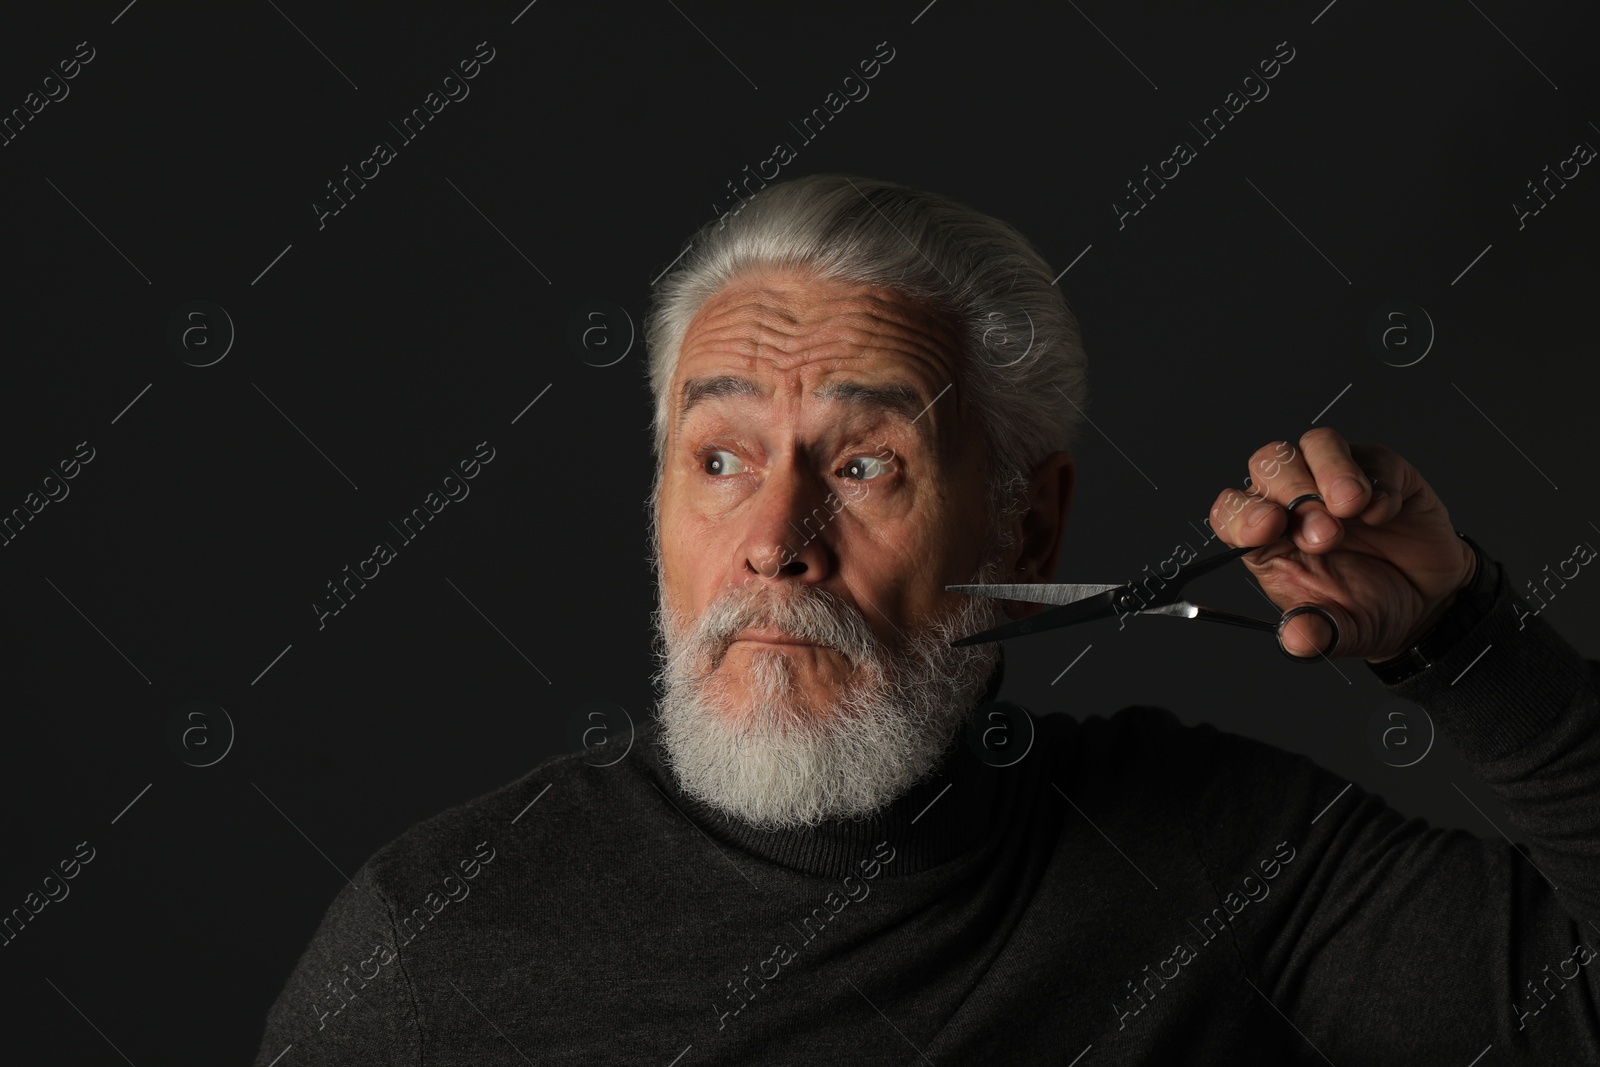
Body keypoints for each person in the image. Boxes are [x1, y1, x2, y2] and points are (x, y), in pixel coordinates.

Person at [252, 174, 1599, 1065]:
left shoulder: (1226, 860)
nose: (775, 545)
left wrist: (1469, 647)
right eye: (720, 459)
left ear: (1024, 523)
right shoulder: (430, 946)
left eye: (863, 465)